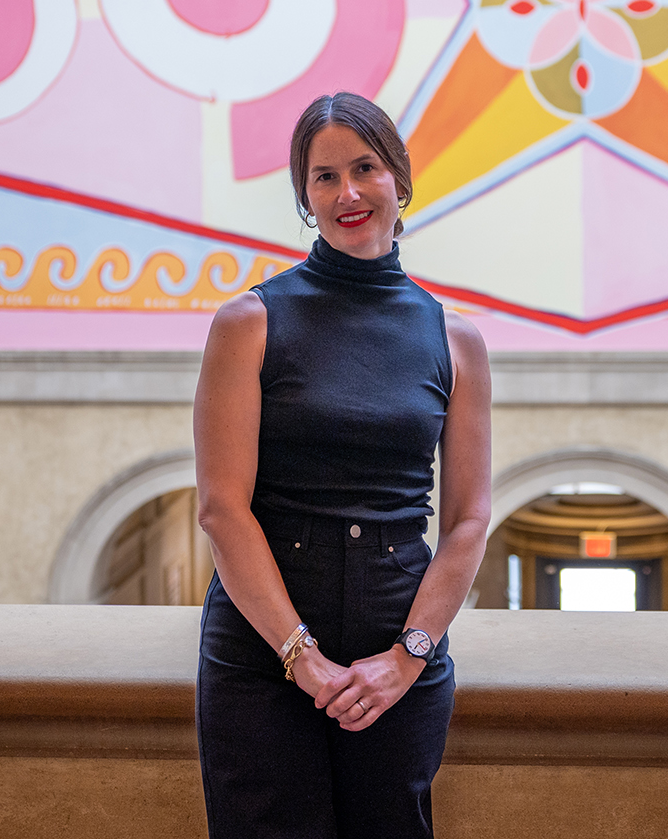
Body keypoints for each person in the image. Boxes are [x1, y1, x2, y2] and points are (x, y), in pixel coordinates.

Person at [193, 91, 493, 839]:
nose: (348, 192)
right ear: (305, 198)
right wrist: (304, 660)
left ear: (400, 179)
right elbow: (221, 509)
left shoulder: (456, 340)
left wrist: (408, 657)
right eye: (323, 177)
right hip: (263, 659)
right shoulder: (249, 324)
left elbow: (467, 520)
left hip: (400, 656)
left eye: (365, 168)